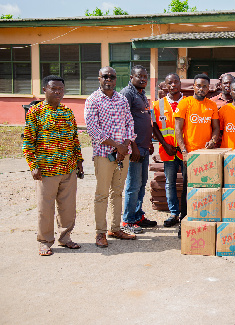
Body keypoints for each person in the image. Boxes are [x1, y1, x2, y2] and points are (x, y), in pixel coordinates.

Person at [23, 75, 83, 256]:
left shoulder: (67, 112)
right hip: (46, 171)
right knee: (45, 208)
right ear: (44, 90)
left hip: (68, 168)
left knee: (68, 207)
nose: (58, 92)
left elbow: (74, 139)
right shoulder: (35, 112)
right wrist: (33, 165)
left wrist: (79, 161)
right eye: (53, 89)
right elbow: (28, 141)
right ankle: (45, 241)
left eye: (61, 89)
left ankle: (65, 238)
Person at [85, 67, 137, 247]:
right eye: (105, 76)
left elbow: (130, 122)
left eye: (112, 77)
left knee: (118, 192)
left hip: (123, 155)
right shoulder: (93, 100)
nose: (109, 79)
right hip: (103, 155)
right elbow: (93, 130)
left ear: (116, 80)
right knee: (102, 194)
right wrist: (117, 146)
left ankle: (115, 228)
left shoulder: (121, 99)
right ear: (99, 78)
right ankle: (100, 233)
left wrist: (126, 146)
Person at [174, 73, 220, 232]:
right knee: (187, 190)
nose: (202, 89)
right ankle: (183, 224)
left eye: (205, 86)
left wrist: (213, 141)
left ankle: (203, 223)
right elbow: (178, 129)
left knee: (206, 190)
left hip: (207, 156)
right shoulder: (185, 103)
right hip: (190, 156)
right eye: (199, 85)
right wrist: (184, 152)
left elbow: (215, 129)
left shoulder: (212, 105)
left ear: (209, 88)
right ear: (193, 86)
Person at [120, 65, 157, 234]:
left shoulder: (141, 94)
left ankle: (137, 215)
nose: (143, 79)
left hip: (143, 146)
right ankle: (127, 220)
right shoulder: (127, 93)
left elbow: (144, 119)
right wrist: (132, 145)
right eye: (139, 76)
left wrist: (148, 142)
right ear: (131, 77)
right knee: (133, 185)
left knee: (141, 184)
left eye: (145, 76)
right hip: (134, 148)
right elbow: (123, 121)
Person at [151, 73, 185, 227]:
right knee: (170, 183)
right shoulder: (157, 105)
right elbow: (154, 127)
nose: (173, 85)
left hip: (185, 151)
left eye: (175, 82)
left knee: (188, 182)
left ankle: (187, 212)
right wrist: (165, 145)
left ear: (180, 83)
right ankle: (174, 213)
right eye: (169, 83)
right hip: (168, 150)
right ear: (165, 86)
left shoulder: (188, 102)